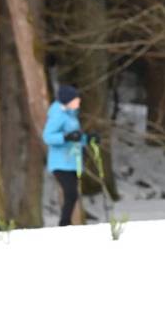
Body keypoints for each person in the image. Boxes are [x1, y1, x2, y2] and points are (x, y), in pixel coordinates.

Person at [42, 85, 98, 226]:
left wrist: (89, 139)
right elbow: (47, 136)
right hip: (60, 163)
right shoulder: (58, 116)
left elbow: (76, 137)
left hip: (72, 163)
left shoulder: (71, 116)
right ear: (67, 101)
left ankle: (66, 223)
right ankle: (64, 224)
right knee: (71, 194)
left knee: (73, 195)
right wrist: (66, 137)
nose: (79, 101)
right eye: (76, 99)